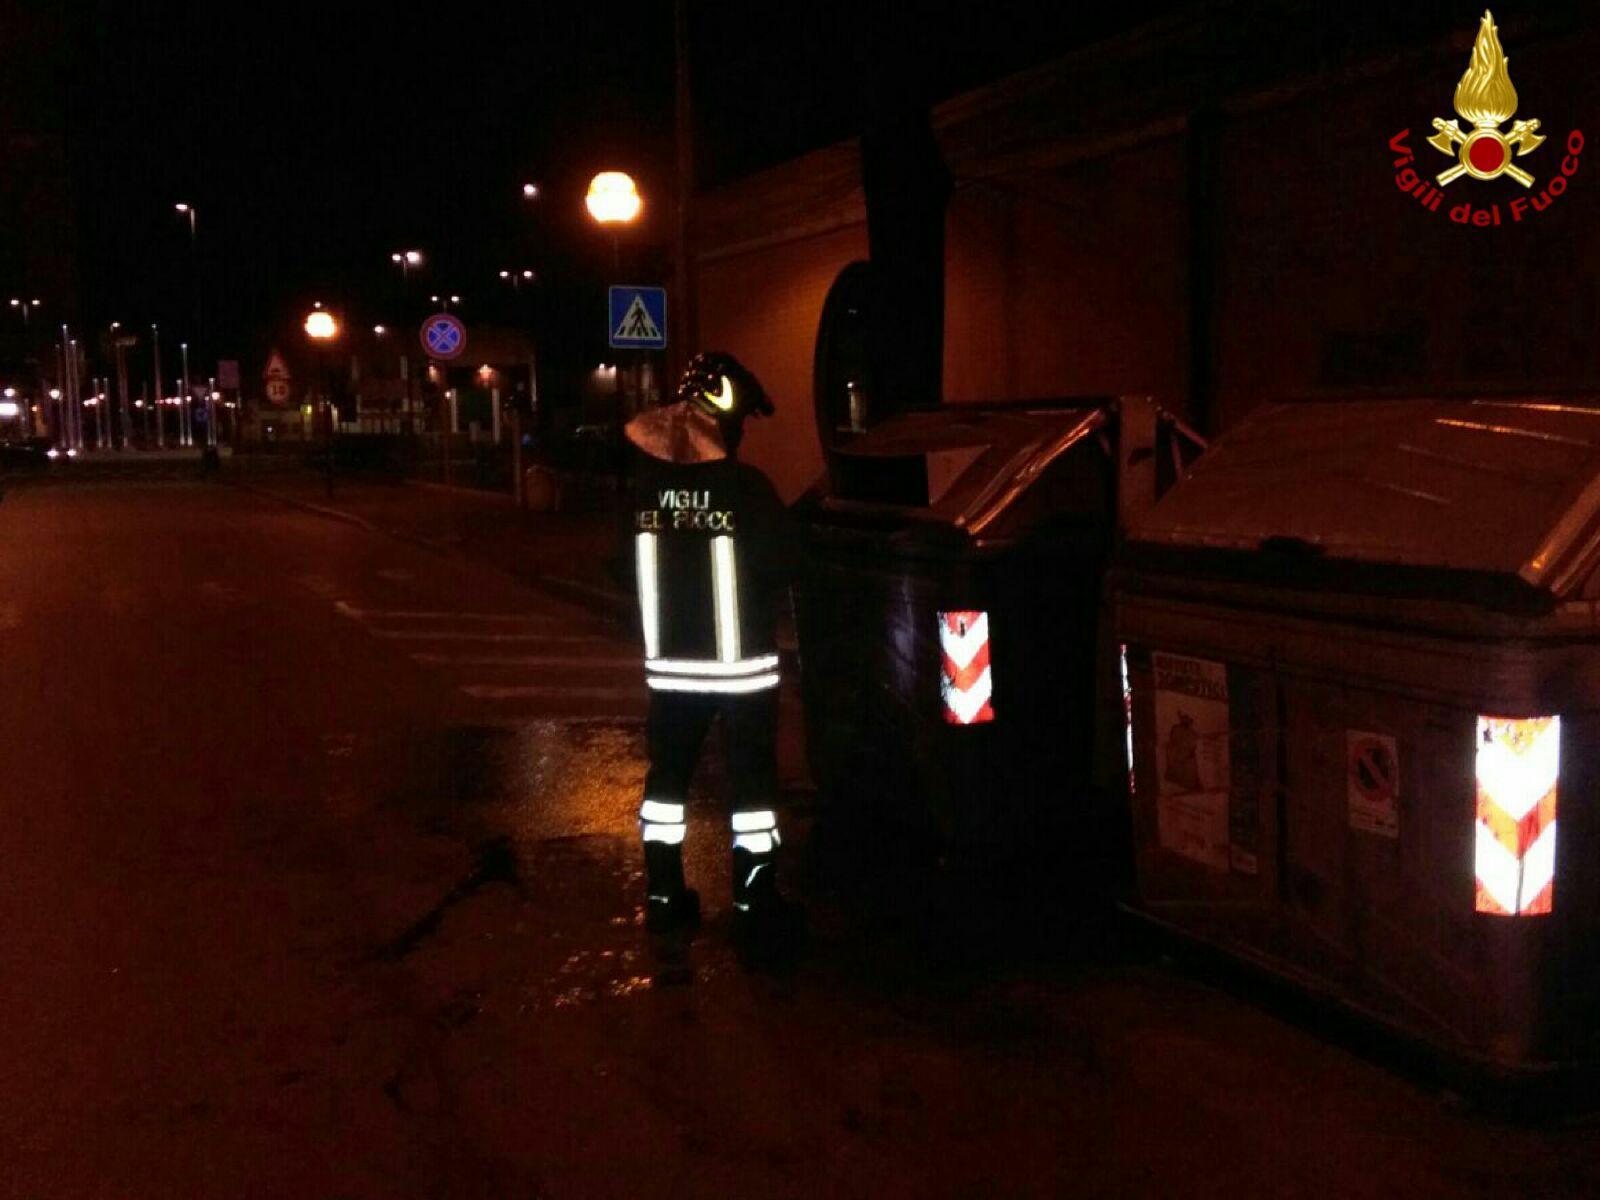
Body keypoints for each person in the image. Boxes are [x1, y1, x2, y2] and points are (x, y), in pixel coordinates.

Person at [621, 351, 801, 950]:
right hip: (741, 674)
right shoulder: (747, 489)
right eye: (744, 418)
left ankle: (664, 897)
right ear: (727, 414)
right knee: (751, 789)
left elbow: (620, 568)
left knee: (667, 781)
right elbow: (783, 563)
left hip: (670, 672)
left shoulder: (645, 486)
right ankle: (755, 903)